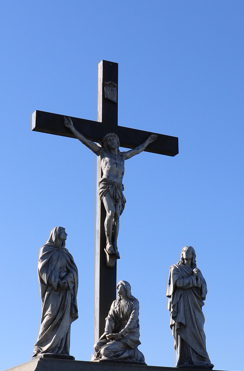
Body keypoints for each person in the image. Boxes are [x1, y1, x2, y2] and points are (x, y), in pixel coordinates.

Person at [64, 116, 157, 261]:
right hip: (106, 185)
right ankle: (108, 242)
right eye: (111, 140)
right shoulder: (102, 153)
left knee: (117, 217)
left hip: (118, 188)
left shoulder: (123, 156)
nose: (114, 142)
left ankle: (114, 243)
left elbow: (138, 150)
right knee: (111, 212)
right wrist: (72, 128)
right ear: (107, 142)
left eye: (116, 140)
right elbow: (85, 141)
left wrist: (148, 142)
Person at [33, 227, 78, 357]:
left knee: (64, 318)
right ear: (57, 233)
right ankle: (41, 346)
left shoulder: (66, 253)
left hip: (65, 291)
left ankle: (60, 349)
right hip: (53, 290)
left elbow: (73, 271)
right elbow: (43, 270)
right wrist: (57, 282)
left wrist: (68, 279)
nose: (66, 234)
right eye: (64, 232)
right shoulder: (46, 250)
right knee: (51, 315)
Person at [167, 246, 213, 368]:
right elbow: (178, 283)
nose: (186, 253)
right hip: (182, 305)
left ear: (193, 255)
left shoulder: (197, 271)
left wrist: (198, 278)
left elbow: (204, 290)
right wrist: (193, 279)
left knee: (197, 330)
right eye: (184, 251)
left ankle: (200, 359)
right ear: (181, 255)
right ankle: (185, 360)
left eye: (189, 251)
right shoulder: (175, 269)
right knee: (184, 329)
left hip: (194, 305)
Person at [93, 280, 145, 363]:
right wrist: (108, 333)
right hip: (115, 336)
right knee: (97, 346)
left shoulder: (134, 302)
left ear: (126, 288)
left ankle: (132, 353)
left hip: (128, 336)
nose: (117, 288)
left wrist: (122, 334)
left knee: (105, 351)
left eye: (119, 285)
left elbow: (132, 320)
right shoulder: (115, 303)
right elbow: (110, 318)